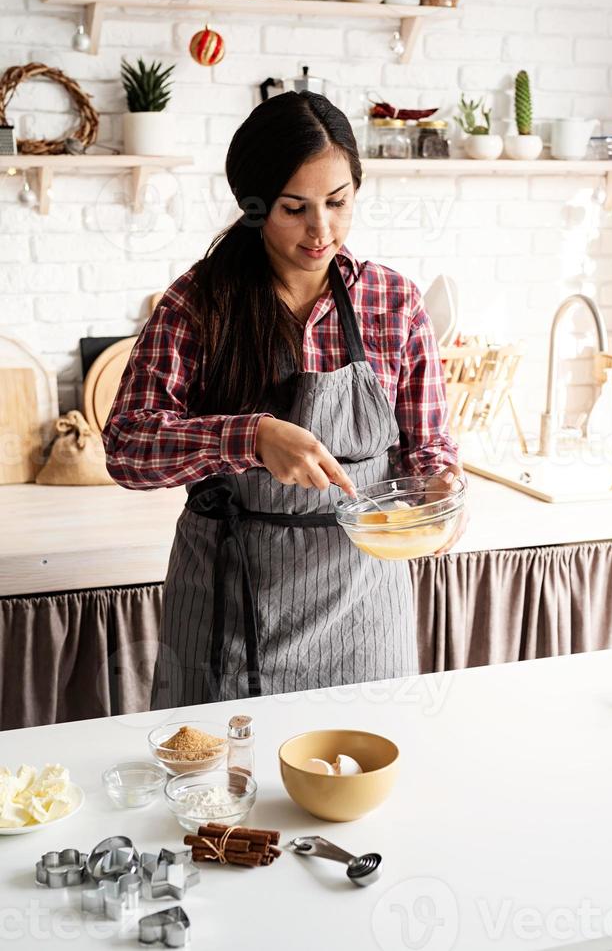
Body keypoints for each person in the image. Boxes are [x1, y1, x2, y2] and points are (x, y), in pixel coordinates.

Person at [103, 91, 465, 708]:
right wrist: (249, 437)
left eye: (338, 202)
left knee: (361, 786)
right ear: (254, 206)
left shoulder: (392, 301)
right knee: (221, 793)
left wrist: (439, 491)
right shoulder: (198, 304)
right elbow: (128, 446)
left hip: (364, 604)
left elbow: (426, 445)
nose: (321, 230)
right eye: (295, 208)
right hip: (232, 600)